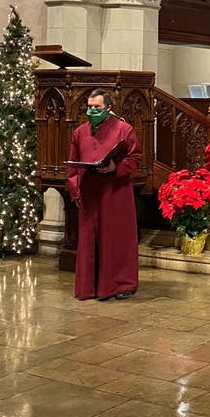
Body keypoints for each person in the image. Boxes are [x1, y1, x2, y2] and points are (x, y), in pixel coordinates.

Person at [66, 88, 142, 301]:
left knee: (116, 238)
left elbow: (135, 157)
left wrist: (114, 168)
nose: (91, 111)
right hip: (89, 190)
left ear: (108, 108)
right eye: (89, 107)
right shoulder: (80, 132)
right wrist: (75, 188)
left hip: (115, 190)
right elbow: (73, 164)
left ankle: (121, 284)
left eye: (96, 107)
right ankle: (89, 286)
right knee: (88, 239)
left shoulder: (123, 129)